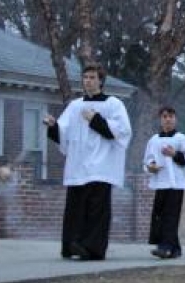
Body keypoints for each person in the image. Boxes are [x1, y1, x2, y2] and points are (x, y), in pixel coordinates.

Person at [44, 63, 132, 260]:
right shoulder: (75, 106)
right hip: (78, 166)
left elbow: (122, 132)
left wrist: (95, 119)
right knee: (75, 208)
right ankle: (72, 245)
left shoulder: (113, 104)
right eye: (85, 78)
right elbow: (63, 132)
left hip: (102, 166)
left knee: (96, 210)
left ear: (101, 80)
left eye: (92, 77)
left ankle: (92, 249)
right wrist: (53, 126)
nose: (88, 81)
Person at [143, 106, 185, 259]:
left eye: (171, 116)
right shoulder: (154, 140)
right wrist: (151, 166)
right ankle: (175, 249)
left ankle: (165, 248)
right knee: (160, 215)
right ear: (160, 120)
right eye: (165, 116)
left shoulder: (182, 139)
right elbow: (147, 159)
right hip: (160, 183)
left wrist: (175, 154)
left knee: (171, 216)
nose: (168, 119)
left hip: (176, 184)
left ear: (175, 119)